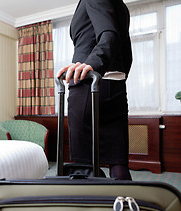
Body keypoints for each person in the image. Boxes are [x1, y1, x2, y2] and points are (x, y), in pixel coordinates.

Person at [56, 0, 133, 180]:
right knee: (118, 159)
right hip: (115, 84)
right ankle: (125, 204)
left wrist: (93, 64)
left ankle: (91, 204)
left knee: (85, 161)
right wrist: (119, 74)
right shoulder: (121, 6)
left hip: (89, 83)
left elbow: (109, 35)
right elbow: (123, 47)